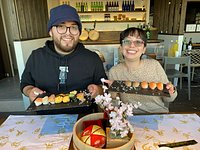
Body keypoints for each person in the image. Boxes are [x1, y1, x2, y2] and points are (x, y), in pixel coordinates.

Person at [20, 4, 107, 104]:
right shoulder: (36, 57)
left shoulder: (92, 58)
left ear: (79, 32)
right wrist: (30, 91)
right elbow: (25, 84)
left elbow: (104, 86)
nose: (68, 33)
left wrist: (98, 89)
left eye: (73, 27)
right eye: (61, 26)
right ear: (50, 32)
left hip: (83, 116)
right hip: (45, 116)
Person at [106, 27, 177, 113]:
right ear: (121, 47)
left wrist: (171, 90)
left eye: (138, 42)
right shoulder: (115, 72)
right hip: (130, 117)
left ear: (144, 49)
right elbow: (114, 107)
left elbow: (169, 99)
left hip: (158, 114)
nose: (132, 45)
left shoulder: (154, 65)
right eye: (127, 41)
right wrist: (113, 96)